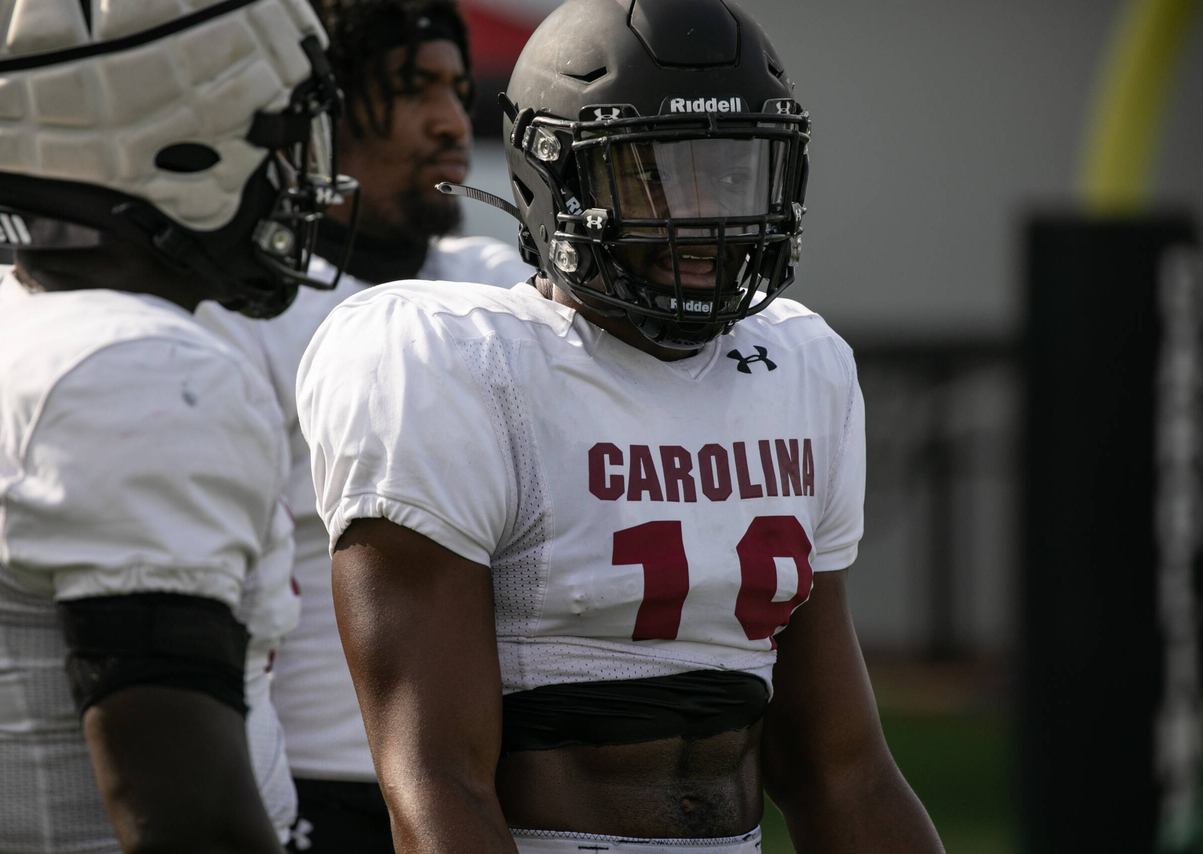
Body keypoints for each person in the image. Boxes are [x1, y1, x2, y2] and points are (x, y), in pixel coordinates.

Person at [299, 0, 949, 852]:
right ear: (554, 178)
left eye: (733, 171)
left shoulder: (801, 364)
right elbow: (436, 779)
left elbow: (843, 771)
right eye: (656, 174)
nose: (705, 215)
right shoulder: (457, 365)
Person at [0, 1, 355, 851]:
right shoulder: (136, 373)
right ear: (180, 143)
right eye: (276, 135)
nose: (298, 173)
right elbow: (190, 820)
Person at [198, 2, 532, 851]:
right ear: (320, 113)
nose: (452, 119)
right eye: (410, 88)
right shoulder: (241, 313)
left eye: (458, 88)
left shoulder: (501, 292)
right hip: (312, 785)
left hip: (499, 782)